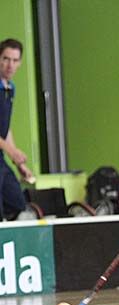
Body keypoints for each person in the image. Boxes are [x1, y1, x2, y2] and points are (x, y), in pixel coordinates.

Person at [0, 38, 33, 221]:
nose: (10, 65)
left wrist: (19, 163)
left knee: (17, 203)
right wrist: (12, 152)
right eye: (6, 59)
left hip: (1, 158)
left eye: (15, 60)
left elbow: (5, 127)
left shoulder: (10, 88)